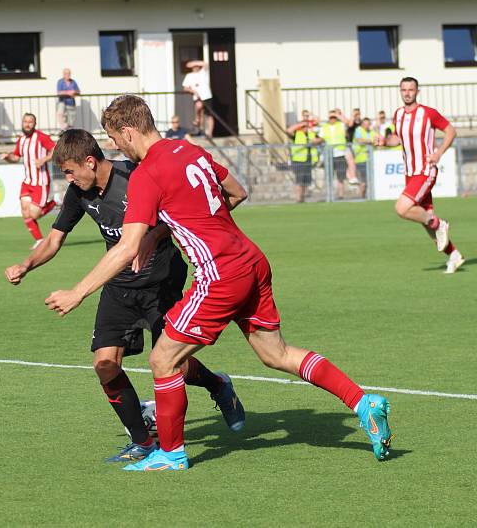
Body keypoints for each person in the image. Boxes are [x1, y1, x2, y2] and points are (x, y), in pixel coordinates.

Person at [44, 94, 393, 470]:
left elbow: (126, 247)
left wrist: (78, 291)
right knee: (276, 354)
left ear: (128, 132)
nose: (114, 147)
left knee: (163, 359)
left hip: (220, 272)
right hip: (251, 259)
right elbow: (238, 192)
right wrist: (185, 225)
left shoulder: (145, 174)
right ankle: (362, 401)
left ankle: (172, 453)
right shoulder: (190, 150)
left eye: (114, 138)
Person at [5, 129, 244, 462]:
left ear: (90, 162)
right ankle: (143, 442)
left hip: (161, 281)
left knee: (174, 363)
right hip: (118, 285)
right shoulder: (79, 192)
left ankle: (217, 385)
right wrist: (26, 265)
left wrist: (151, 237)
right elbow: (54, 240)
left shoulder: (136, 176)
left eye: (71, 172)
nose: (69, 180)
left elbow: (183, 212)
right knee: (104, 364)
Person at [384, 77, 464, 274]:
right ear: (400, 91)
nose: (407, 93)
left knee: (402, 209)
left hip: (425, 170)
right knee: (425, 221)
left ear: (417, 91)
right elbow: (397, 138)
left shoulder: (428, 113)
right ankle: (454, 255)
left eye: (411, 90)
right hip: (410, 173)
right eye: (404, 90)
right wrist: (384, 141)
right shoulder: (398, 114)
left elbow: (451, 131)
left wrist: (438, 153)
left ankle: (440, 223)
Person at [0, 113, 57, 248]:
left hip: (40, 182)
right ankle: (39, 240)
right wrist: (8, 157)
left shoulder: (42, 137)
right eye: (25, 121)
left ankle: (55, 202)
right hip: (27, 182)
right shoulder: (21, 140)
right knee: (25, 212)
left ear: (34, 124)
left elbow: (55, 150)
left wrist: (43, 160)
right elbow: (16, 157)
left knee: (34, 214)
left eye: (30, 122)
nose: (27, 124)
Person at [320, 109, 357, 197]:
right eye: (331, 117)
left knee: (341, 177)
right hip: (329, 155)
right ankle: (329, 195)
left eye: (334, 117)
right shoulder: (324, 127)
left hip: (340, 154)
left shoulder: (340, 125)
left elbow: (349, 123)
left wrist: (339, 115)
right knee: (329, 177)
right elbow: (321, 138)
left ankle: (341, 195)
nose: (332, 119)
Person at [287, 110, 322, 203]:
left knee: (306, 180)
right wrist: (300, 124)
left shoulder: (311, 134)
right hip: (298, 161)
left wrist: (310, 115)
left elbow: (320, 137)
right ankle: (298, 198)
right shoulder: (297, 134)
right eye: (304, 126)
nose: (305, 128)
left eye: (306, 126)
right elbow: (289, 131)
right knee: (299, 180)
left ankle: (303, 198)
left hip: (308, 160)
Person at [181, 60, 214, 139]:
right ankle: (198, 121)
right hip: (197, 97)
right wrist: (194, 91)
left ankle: (209, 133)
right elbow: (185, 88)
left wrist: (194, 62)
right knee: (199, 107)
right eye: (194, 66)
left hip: (207, 96)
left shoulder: (203, 72)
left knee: (209, 116)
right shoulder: (189, 75)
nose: (195, 67)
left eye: (197, 66)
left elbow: (205, 64)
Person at [352, 117, 378, 198]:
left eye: (368, 124)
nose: (366, 126)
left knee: (371, 180)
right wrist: (371, 140)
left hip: (371, 159)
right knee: (364, 181)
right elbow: (359, 140)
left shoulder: (372, 131)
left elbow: (377, 139)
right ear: (362, 124)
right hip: (361, 159)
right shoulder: (358, 130)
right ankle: (362, 197)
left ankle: (369, 196)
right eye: (365, 124)